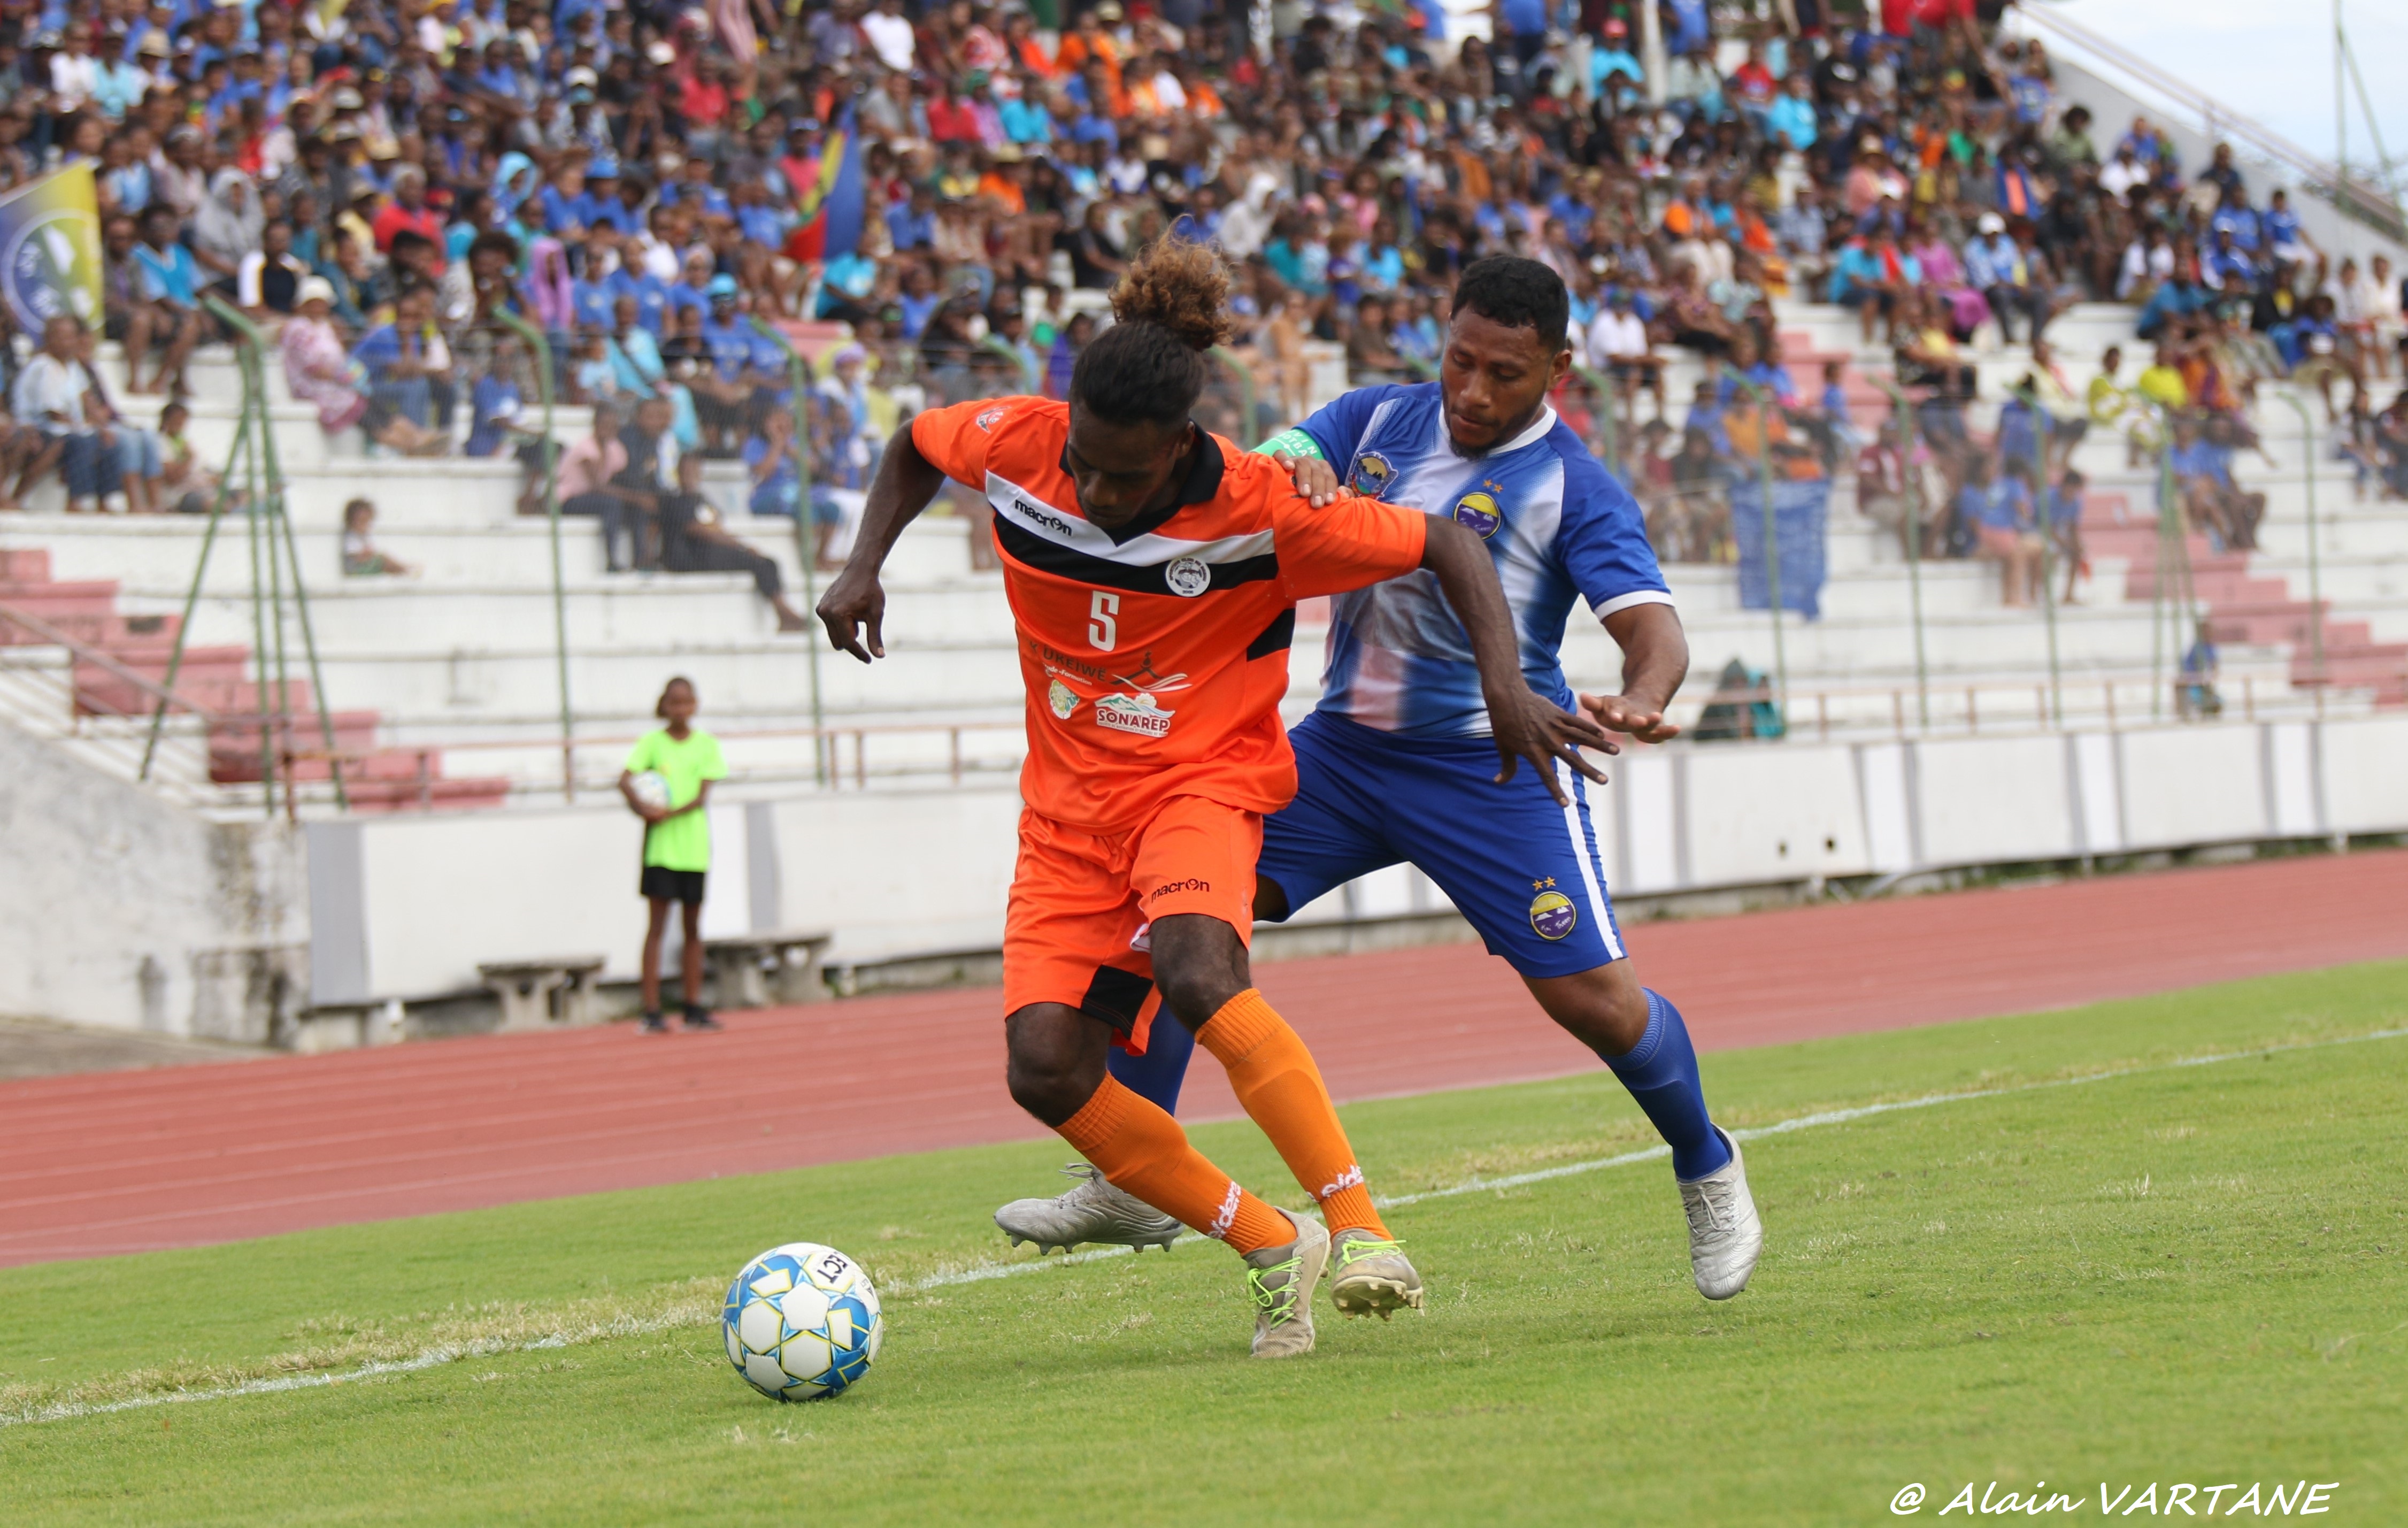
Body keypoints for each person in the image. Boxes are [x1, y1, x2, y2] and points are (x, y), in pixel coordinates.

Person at [817, 239, 1611, 1356]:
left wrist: (1507, 685)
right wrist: (864, 563)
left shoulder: (1264, 509)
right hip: (1064, 816)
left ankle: (1364, 1228)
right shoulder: (1020, 442)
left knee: (1199, 969)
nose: (1095, 492)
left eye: (1126, 477)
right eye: (1085, 464)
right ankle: (1269, 1242)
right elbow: (912, 443)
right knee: (1043, 1069)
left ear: (1183, 443)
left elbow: (1446, 544)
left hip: (1200, 784)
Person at [994, 254, 1764, 1304]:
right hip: (1342, 757)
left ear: (1558, 369)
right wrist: (1294, 466)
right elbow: (1245, 472)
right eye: (1459, 360)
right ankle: (1130, 1179)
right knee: (1178, 923)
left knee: (1593, 1000)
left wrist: (1641, 692)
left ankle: (1704, 1161)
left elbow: (1651, 627)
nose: (1473, 390)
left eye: (1505, 372)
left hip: (1490, 769)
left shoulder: (1576, 487)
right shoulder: (1373, 420)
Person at [619, 676, 728, 1033]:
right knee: (656, 929)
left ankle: (692, 1005)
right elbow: (625, 778)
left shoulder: (706, 745)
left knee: (693, 929)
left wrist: (667, 813)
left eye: (686, 702)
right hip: (661, 850)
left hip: (693, 848)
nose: (680, 709)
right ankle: (651, 1010)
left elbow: (701, 795)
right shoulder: (652, 743)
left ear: (694, 705)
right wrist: (641, 806)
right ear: (664, 706)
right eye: (674, 703)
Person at [13, 316, 121, 512]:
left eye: (72, 337)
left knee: (108, 440)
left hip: (67, 428)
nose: (69, 343)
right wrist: (85, 428)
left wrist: (102, 427)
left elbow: (88, 401)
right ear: (49, 339)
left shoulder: (72, 367)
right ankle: (76, 501)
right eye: (63, 338)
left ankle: (104, 501)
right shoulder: (43, 366)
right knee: (81, 441)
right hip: (40, 429)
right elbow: (55, 415)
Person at [341, 497, 413, 575]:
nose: (365, 526)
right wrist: (368, 554)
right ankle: (405, 569)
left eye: (367, 522)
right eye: (361, 521)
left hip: (364, 566)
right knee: (383, 560)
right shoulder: (351, 537)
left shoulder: (362, 537)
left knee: (384, 561)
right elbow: (355, 556)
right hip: (355, 570)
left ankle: (403, 570)